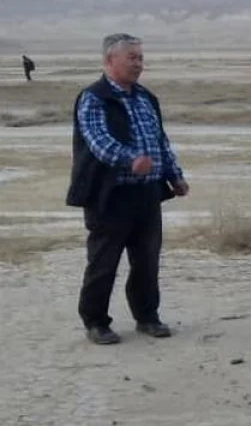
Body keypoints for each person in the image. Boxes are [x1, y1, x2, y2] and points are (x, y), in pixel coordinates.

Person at [66, 33, 189, 345]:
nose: (139, 64)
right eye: (132, 58)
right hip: (109, 196)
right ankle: (96, 322)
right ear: (110, 60)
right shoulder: (94, 98)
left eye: (140, 58)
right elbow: (98, 142)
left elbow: (160, 141)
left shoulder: (146, 98)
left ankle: (147, 317)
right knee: (104, 261)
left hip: (147, 194)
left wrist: (174, 175)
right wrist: (129, 159)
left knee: (147, 260)